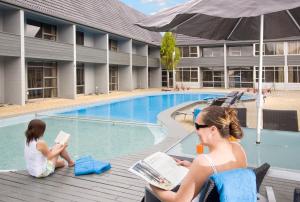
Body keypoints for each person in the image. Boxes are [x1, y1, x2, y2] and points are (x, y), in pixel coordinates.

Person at [150, 106, 247, 202]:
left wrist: (153, 183)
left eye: (197, 126)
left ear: (213, 130)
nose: (195, 131)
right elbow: (221, 174)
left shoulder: (203, 162)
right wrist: (192, 167)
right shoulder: (238, 148)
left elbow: (179, 201)